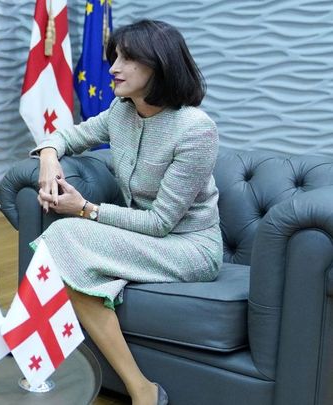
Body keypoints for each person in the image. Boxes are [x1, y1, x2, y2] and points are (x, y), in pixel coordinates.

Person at [33, 20, 221, 405]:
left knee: (62, 238)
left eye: (127, 59)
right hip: (140, 237)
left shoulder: (195, 129)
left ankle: (135, 390)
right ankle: (141, 389)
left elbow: (161, 223)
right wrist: (49, 159)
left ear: (160, 65)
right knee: (63, 254)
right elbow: (65, 136)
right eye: (114, 57)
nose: (113, 68)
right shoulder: (121, 112)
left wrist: (85, 209)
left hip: (189, 247)